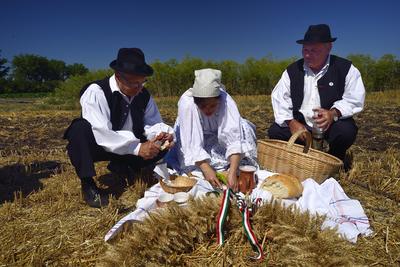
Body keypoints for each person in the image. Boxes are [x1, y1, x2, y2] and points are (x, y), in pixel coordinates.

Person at [64, 48, 174, 208]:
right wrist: (137, 148)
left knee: (163, 143)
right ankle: (88, 184)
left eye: (142, 82)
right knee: (79, 129)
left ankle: (122, 165)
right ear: (118, 77)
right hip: (99, 146)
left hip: (130, 146)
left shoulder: (143, 94)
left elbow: (152, 123)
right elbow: (101, 131)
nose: (138, 88)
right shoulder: (96, 91)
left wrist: (161, 135)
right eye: (133, 83)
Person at [268, 24, 365, 169]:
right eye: (305, 50)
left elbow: (355, 98)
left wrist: (333, 113)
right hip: (302, 125)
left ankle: (333, 162)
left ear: (329, 47)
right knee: (275, 131)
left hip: (331, 124)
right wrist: (291, 122)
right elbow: (279, 98)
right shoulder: (292, 71)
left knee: (346, 131)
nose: (307, 55)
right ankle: (302, 158)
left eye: (314, 50)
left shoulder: (345, 68)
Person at [166, 68, 257, 191]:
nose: (208, 110)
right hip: (191, 135)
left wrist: (232, 171)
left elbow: (233, 136)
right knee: (196, 167)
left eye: (213, 105)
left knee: (244, 125)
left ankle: (230, 166)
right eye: (203, 106)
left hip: (216, 134)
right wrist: (206, 168)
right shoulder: (188, 103)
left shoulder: (225, 100)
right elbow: (192, 143)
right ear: (196, 102)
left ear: (218, 100)